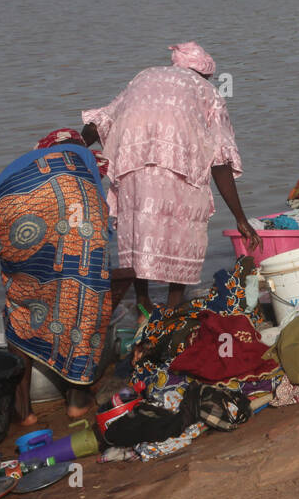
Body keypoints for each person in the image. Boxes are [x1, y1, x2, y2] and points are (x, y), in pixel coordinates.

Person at [81, 42, 259, 315]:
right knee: (184, 230)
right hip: (180, 164)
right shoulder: (208, 92)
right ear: (205, 74)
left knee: (138, 231)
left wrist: (74, 149)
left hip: (132, 161)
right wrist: (240, 218)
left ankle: (143, 304)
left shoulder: (145, 76)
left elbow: (101, 120)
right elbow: (220, 159)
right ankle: (174, 307)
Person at [0, 133, 133, 423]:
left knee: (21, 301)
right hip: (67, 203)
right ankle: (77, 400)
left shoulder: (29, 161)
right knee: (85, 296)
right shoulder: (83, 164)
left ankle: (23, 409)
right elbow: (98, 244)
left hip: (10, 201)